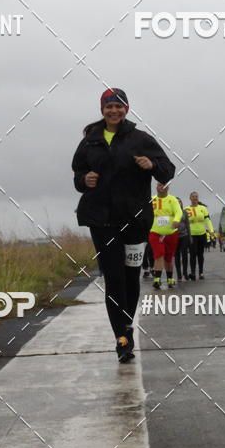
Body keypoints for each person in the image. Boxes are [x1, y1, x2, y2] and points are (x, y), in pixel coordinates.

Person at [72, 88, 175, 362]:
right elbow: (77, 174)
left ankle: (127, 325)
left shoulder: (140, 139)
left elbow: (168, 170)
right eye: (109, 107)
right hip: (101, 220)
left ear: (126, 109)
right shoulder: (90, 141)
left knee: (131, 279)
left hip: (134, 221)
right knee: (114, 280)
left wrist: (151, 163)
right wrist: (84, 180)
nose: (113, 111)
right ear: (102, 110)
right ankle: (122, 339)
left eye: (118, 106)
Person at [148, 183, 182, 289]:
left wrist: (176, 220)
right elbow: (144, 213)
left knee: (168, 258)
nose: (161, 187)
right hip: (155, 232)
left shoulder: (172, 200)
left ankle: (170, 279)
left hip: (170, 233)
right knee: (159, 254)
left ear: (168, 188)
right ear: (156, 187)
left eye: (164, 185)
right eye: (159, 185)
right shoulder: (151, 200)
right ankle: (157, 280)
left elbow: (179, 212)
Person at [184, 192, 215, 280]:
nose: (195, 198)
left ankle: (201, 272)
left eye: (196, 197)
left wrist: (211, 230)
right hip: (191, 235)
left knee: (200, 254)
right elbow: (183, 222)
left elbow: (208, 220)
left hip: (202, 234)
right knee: (193, 254)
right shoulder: (186, 209)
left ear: (198, 198)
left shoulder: (203, 208)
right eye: (193, 197)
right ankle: (193, 273)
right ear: (190, 198)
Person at [174, 198, 191, 282]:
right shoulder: (172, 212)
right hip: (175, 236)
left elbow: (188, 225)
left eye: (180, 202)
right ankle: (179, 274)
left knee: (184, 255)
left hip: (184, 236)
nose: (178, 203)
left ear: (181, 203)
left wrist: (190, 237)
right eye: (177, 202)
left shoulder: (184, 212)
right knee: (177, 256)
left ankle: (185, 272)